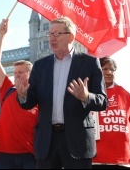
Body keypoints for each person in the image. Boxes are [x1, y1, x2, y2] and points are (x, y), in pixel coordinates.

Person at [18, 16, 108, 169]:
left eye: (57, 34)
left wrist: (86, 97)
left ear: (71, 37)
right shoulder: (39, 66)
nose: (51, 38)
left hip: (77, 141)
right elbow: (30, 102)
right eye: (50, 34)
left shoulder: (90, 63)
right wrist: (22, 95)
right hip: (47, 141)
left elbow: (102, 101)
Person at [0, 19, 39, 169]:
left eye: (21, 72)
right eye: (15, 72)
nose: (16, 75)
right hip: (5, 154)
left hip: (29, 155)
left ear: (31, 74)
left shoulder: (39, 95)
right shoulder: (8, 88)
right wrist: (1, 36)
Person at [92, 57, 130, 169]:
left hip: (122, 160)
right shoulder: (88, 95)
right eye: (104, 69)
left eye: (112, 69)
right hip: (95, 160)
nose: (109, 72)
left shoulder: (127, 96)